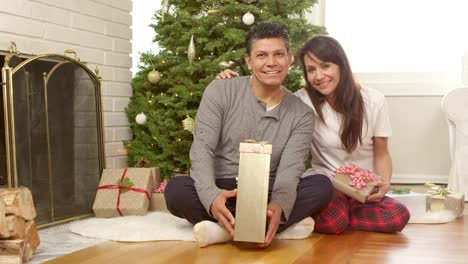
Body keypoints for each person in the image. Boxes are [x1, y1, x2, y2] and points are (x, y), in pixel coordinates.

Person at [217, 35, 410, 234]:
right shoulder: (302, 100)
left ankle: (339, 215)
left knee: (397, 216)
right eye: (311, 69)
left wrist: (384, 183)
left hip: (363, 189)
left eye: (325, 66)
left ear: (341, 66)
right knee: (333, 221)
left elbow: (381, 152)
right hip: (328, 185)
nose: (318, 76)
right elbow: (265, 101)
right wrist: (233, 86)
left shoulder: (374, 100)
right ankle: (338, 215)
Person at [164, 22, 333, 248]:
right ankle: (263, 226)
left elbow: (290, 170)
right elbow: (202, 149)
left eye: (278, 54)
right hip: (224, 186)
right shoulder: (220, 90)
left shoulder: (302, 113)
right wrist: (212, 197)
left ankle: (225, 229)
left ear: (290, 59)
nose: (271, 62)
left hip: (268, 190)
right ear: (248, 61)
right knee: (176, 190)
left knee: (321, 186)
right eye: (261, 55)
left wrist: (279, 205)